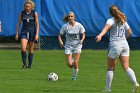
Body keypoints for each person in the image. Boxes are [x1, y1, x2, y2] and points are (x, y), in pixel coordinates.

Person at [95, 5, 139, 92]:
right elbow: (130, 32)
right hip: (125, 45)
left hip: (115, 46)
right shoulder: (123, 20)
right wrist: (123, 39)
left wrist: (100, 35)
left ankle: (107, 89)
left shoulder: (110, 20)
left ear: (110, 12)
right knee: (126, 67)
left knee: (110, 68)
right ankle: (135, 83)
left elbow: (106, 28)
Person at [58, 12, 85, 80]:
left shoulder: (79, 25)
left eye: (71, 16)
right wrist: (60, 41)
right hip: (68, 46)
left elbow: (83, 34)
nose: (70, 18)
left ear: (74, 17)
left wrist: (82, 40)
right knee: (70, 64)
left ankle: (74, 76)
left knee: (76, 62)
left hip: (77, 46)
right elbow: (59, 35)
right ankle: (72, 61)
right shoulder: (65, 26)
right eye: (69, 16)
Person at [15, 1, 39, 69]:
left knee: (31, 49)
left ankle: (30, 65)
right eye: (26, 6)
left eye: (28, 6)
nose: (27, 8)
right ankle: (24, 63)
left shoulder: (34, 13)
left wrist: (37, 34)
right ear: (24, 7)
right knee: (23, 48)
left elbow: (37, 24)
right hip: (24, 32)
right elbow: (18, 23)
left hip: (32, 32)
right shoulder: (21, 13)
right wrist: (17, 33)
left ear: (31, 6)